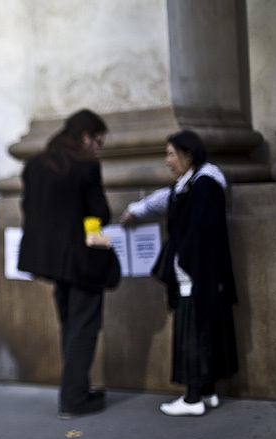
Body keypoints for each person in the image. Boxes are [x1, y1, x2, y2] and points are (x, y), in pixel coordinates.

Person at [120, 130, 237, 416]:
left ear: (189, 155)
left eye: (171, 154)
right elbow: (165, 198)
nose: (167, 161)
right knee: (204, 331)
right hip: (199, 275)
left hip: (196, 276)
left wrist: (183, 263)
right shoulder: (191, 184)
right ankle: (207, 391)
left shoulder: (203, 186)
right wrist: (137, 209)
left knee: (192, 336)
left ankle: (192, 398)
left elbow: (199, 233)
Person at [17, 109, 114, 420]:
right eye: (98, 141)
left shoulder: (35, 165)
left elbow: (29, 209)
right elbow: (99, 213)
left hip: (49, 261)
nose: (98, 148)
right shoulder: (85, 166)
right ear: (86, 136)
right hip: (81, 260)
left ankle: (78, 389)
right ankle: (74, 399)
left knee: (71, 325)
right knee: (84, 327)